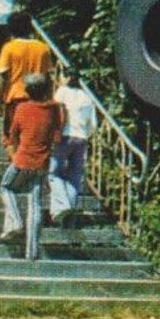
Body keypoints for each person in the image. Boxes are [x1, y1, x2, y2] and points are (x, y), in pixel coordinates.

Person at [0, 73, 64, 259]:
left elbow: (12, 135)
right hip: (42, 162)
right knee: (35, 203)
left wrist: (9, 142)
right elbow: (58, 136)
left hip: (22, 160)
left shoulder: (22, 108)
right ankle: (32, 251)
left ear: (27, 91)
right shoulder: (55, 109)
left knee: (6, 186)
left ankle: (16, 220)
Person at [51, 71, 98, 225]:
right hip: (82, 137)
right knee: (74, 175)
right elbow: (94, 124)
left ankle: (62, 205)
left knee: (52, 172)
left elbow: (55, 114)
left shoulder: (62, 92)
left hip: (65, 136)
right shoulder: (86, 96)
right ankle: (68, 212)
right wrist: (85, 134)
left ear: (67, 78)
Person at [0, 12, 52, 130]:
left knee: (13, 138)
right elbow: (48, 77)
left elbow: (2, 76)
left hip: (16, 97)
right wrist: (49, 99)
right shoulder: (43, 48)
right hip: (38, 99)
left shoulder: (9, 48)